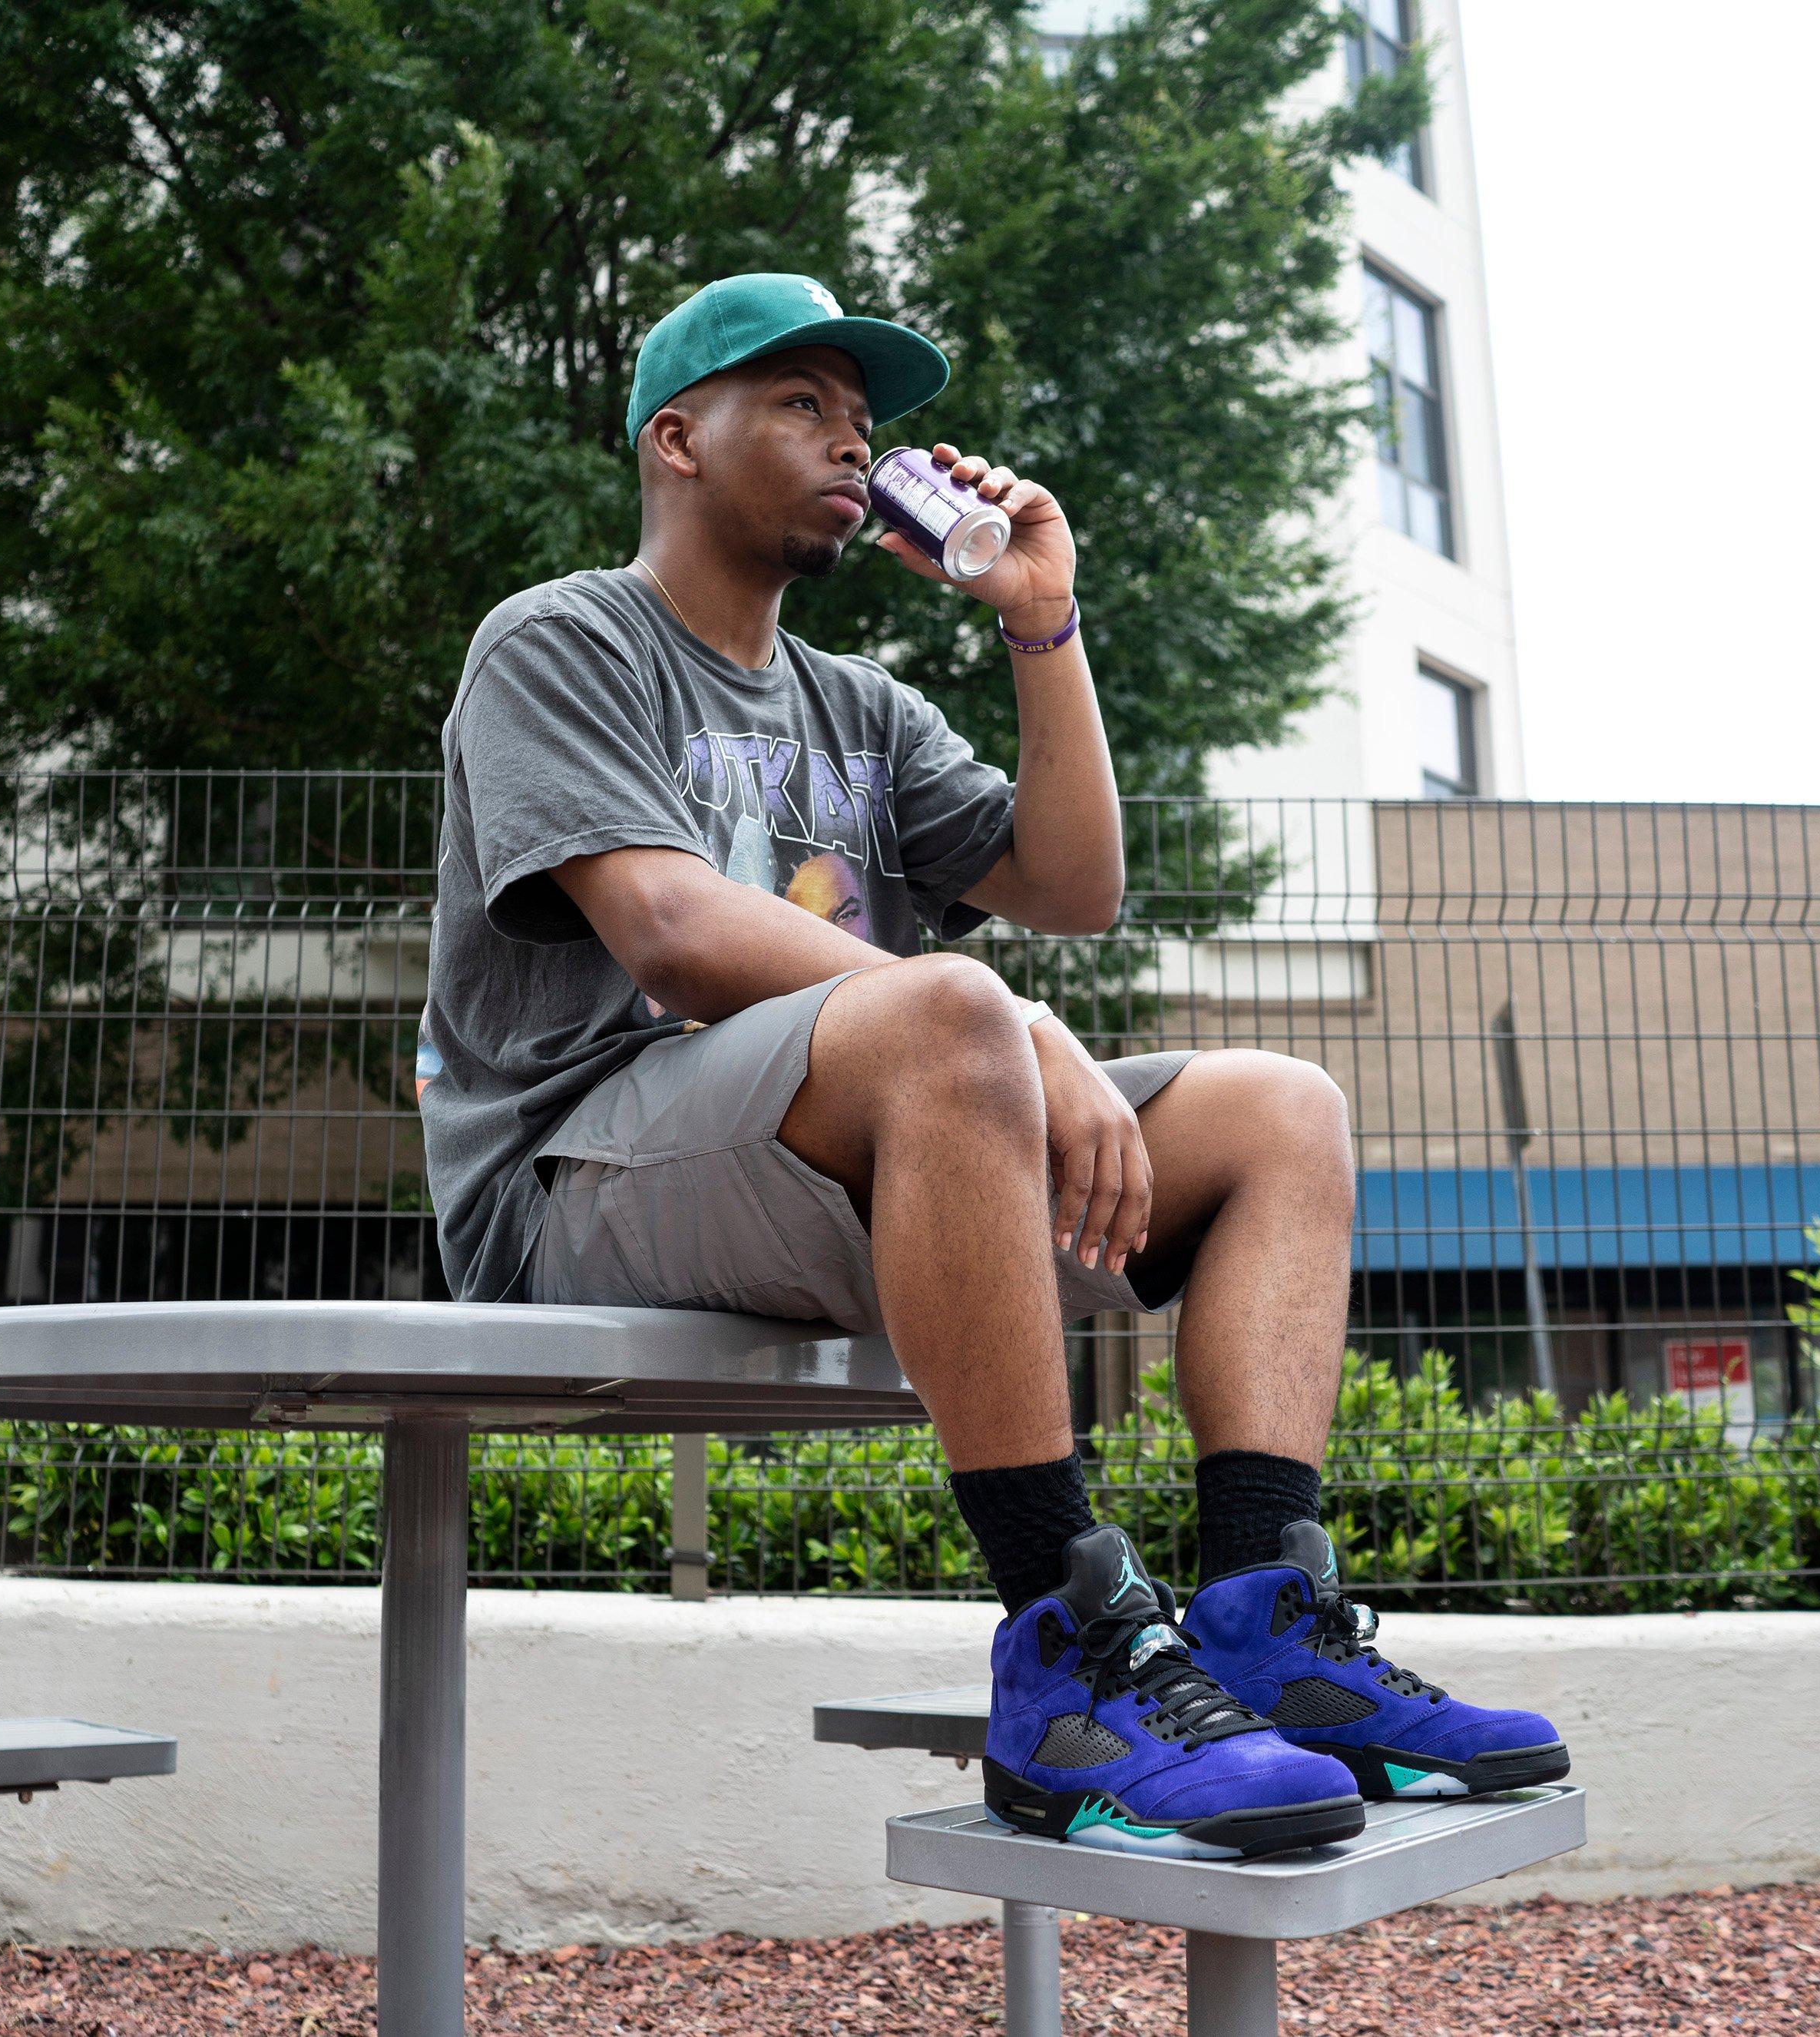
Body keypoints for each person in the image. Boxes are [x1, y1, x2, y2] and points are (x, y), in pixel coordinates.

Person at [420, 273, 1567, 1860]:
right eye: (803, 404)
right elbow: (671, 928)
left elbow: (1072, 884)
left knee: (1279, 1113)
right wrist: (1015, 1028)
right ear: (676, 439)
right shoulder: (559, 641)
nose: (849, 440)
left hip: (812, 1164)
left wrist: (1042, 620)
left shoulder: (859, 711)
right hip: (574, 1187)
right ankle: (1069, 1659)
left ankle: (1264, 1632)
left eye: (861, 418)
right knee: (956, 1008)